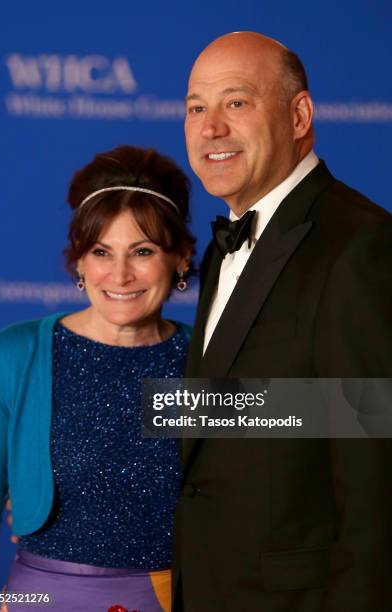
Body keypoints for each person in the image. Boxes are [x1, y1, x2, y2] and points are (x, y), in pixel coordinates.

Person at [173, 32, 392, 611]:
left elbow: (377, 484)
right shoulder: (225, 245)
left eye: (236, 102)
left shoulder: (360, 247)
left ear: (299, 116)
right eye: (196, 108)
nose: (210, 128)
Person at [0, 145, 194, 612]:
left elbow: (339, 423)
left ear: (180, 258)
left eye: (143, 251)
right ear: (79, 261)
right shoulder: (17, 355)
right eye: (101, 251)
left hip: (177, 598)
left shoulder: (207, 359)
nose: (119, 275)